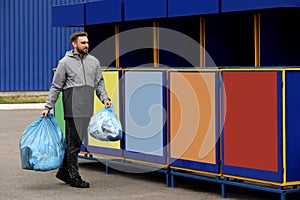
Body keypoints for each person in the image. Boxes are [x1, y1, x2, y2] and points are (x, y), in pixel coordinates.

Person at [41, 31, 111, 188]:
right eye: (83, 43)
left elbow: (99, 83)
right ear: (74, 44)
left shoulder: (94, 62)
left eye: (87, 42)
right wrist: (48, 106)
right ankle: (74, 176)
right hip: (72, 108)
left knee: (76, 142)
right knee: (73, 144)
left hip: (87, 108)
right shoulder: (64, 63)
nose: (86, 45)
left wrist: (105, 99)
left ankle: (63, 172)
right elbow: (56, 86)